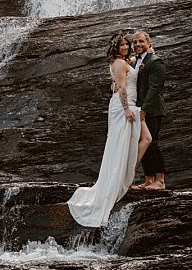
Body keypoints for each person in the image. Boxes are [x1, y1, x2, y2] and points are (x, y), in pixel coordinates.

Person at [67, 32, 152, 227]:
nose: (125, 47)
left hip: (126, 105)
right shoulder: (120, 64)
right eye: (121, 45)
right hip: (124, 107)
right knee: (121, 145)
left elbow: (128, 65)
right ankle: (119, 180)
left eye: (126, 45)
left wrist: (144, 54)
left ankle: (124, 177)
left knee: (124, 144)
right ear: (115, 47)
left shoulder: (120, 62)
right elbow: (122, 87)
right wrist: (126, 109)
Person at [131, 29, 167, 190]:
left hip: (152, 109)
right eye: (135, 42)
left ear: (149, 44)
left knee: (152, 143)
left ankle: (160, 180)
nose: (138, 44)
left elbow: (154, 88)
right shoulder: (134, 62)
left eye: (141, 41)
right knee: (143, 144)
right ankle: (148, 179)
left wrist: (144, 109)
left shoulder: (155, 61)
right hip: (138, 108)